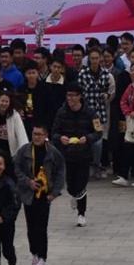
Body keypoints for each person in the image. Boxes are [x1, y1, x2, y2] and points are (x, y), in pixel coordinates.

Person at [13, 124, 64, 265]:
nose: (37, 137)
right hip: (29, 195)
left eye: (40, 134)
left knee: (42, 227)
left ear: (46, 135)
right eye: (35, 134)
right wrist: (28, 182)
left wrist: (54, 192)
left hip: (45, 196)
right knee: (31, 227)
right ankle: (34, 253)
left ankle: (42, 258)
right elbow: (16, 168)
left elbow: (60, 172)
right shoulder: (24, 151)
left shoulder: (53, 152)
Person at [51, 83, 100, 227]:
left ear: (80, 97)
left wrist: (88, 138)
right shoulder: (61, 112)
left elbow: (98, 132)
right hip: (67, 155)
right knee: (71, 186)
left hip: (84, 155)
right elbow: (54, 132)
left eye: (73, 95)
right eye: (68, 95)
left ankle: (81, 214)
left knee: (81, 184)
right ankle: (74, 195)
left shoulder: (91, 113)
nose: (70, 98)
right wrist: (60, 138)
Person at [77, 46, 113, 178]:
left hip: (99, 114)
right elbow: (78, 93)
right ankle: (87, 166)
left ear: (100, 59)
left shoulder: (106, 74)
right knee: (85, 141)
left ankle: (97, 165)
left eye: (97, 58)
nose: (95, 61)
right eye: (92, 58)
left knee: (98, 142)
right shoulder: (82, 74)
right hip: (85, 114)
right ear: (89, 59)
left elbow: (111, 92)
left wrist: (107, 96)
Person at [0, 92, 28, 169]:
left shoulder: (15, 115)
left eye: (6, 101)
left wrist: (24, 152)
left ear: (10, 103)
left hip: (10, 150)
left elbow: (21, 134)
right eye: (2, 101)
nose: (4, 104)